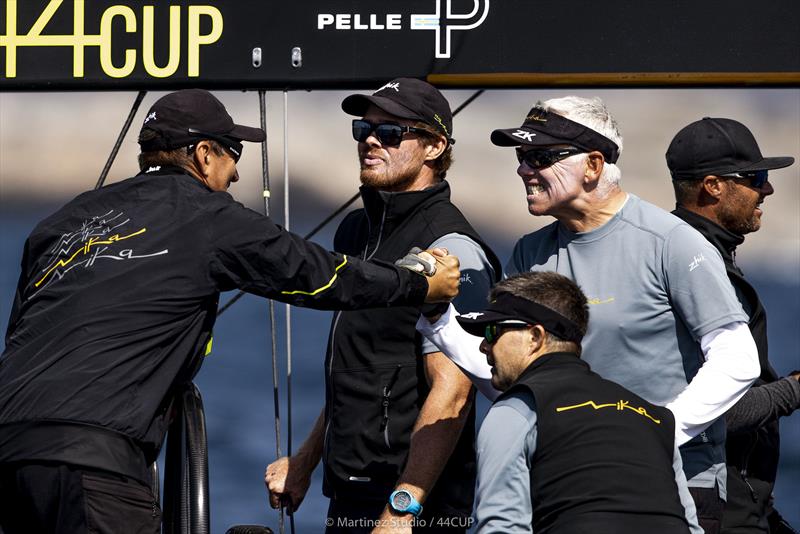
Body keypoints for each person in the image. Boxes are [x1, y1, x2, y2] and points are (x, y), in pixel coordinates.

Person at [0, 89, 461, 534]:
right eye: (233, 153)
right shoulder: (208, 216)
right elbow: (319, 275)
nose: (237, 175)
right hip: (94, 465)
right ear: (204, 154)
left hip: (9, 451)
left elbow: (19, 333)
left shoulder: (57, 224)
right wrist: (420, 285)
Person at [416, 96, 761, 534]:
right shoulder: (531, 252)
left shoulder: (673, 242)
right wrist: (438, 319)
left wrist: (656, 433)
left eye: (540, 157)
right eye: (522, 157)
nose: (524, 169)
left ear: (594, 164)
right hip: (566, 480)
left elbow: (737, 360)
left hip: (673, 482)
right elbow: (507, 374)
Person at [265, 78, 501, 533]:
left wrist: (402, 508)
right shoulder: (356, 232)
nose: (371, 140)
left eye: (390, 132)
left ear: (433, 146)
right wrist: (307, 460)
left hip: (414, 507)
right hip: (350, 489)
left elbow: (454, 391)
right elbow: (357, 370)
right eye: (364, 129)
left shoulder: (451, 247)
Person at [455, 271, 701, 534]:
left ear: (535, 337)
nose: (484, 346)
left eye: (493, 331)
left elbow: (501, 526)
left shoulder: (517, 409)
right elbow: (692, 527)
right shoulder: (653, 417)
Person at [666, 117, 800, 533]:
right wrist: (795, 388)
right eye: (756, 177)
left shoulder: (677, 251)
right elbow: (716, 410)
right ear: (713, 186)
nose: (768, 188)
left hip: (735, 499)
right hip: (713, 502)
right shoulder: (694, 266)